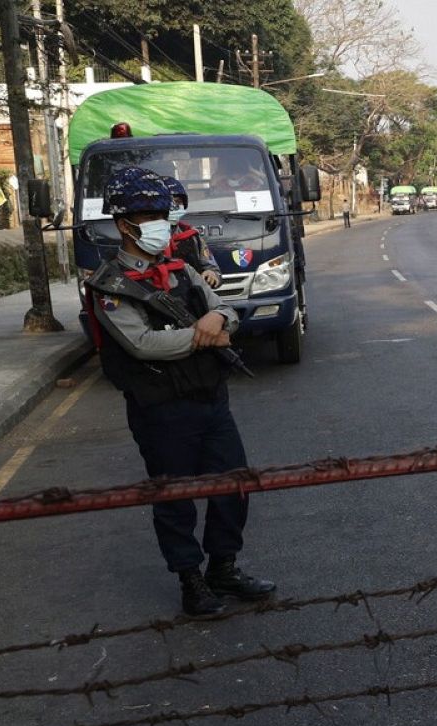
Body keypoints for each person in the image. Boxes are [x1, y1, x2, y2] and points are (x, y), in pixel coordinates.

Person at [84, 167, 274, 617]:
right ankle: (191, 579)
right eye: (146, 215)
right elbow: (142, 344)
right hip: (162, 409)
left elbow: (224, 307)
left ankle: (223, 568)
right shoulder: (109, 286)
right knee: (175, 498)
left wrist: (220, 321)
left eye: (161, 214)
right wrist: (207, 335)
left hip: (211, 399)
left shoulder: (182, 269)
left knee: (233, 485)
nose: (158, 224)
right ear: (123, 223)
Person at [161, 175, 223, 290]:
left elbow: (212, 267)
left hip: (191, 298)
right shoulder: (147, 237)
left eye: (178, 202)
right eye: (169, 202)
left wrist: (211, 274)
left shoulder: (192, 236)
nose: (174, 207)